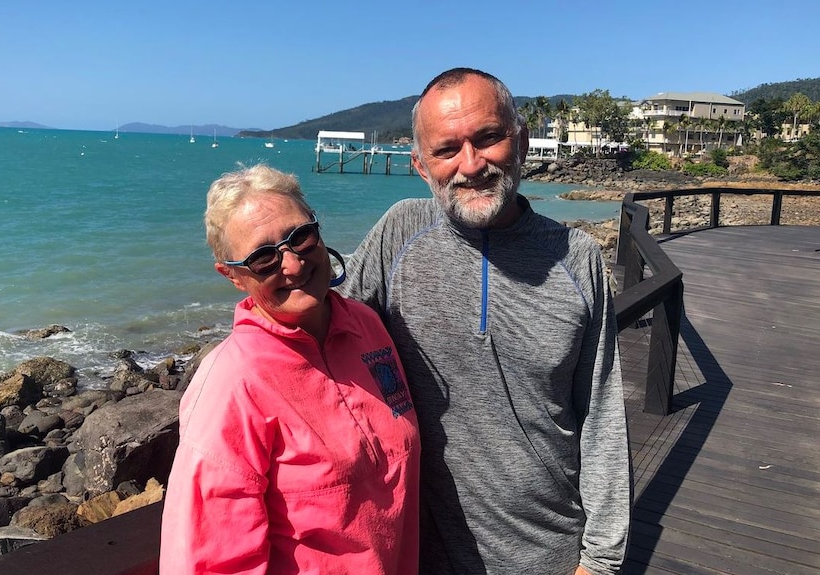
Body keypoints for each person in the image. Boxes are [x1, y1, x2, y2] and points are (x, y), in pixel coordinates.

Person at [337, 68, 632, 575]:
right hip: (420, 552)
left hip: (548, 554)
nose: (470, 165)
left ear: (518, 141)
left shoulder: (575, 257)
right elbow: (315, 327)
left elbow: (601, 413)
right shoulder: (400, 232)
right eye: (447, 149)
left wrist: (601, 561)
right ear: (419, 165)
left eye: (488, 138)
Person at [160, 164, 420, 574]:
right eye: (263, 258)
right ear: (233, 276)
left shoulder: (367, 327)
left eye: (300, 237)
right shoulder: (232, 385)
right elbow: (211, 561)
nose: (294, 264)